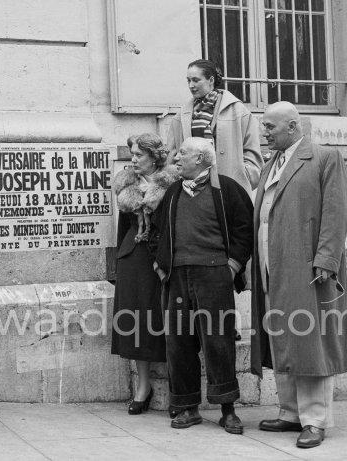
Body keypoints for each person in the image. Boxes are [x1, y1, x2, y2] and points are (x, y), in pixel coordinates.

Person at [251, 101, 347, 449]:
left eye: (269, 127)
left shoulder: (325, 158)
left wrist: (327, 258)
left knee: (311, 341)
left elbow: (336, 212)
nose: (264, 133)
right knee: (283, 334)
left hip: (308, 266)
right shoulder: (270, 164)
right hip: (272, 265)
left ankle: (315, 420)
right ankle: (290, 412)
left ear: (292, 127)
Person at [154, 137, 253, 433]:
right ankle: (187, 408)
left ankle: (227, 409)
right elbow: (158, 233)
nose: (176, 157)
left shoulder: (227, 189)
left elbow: (244, 230)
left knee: (218, 342)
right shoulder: (172, 192)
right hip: (177, 278)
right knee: (179, 343)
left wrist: (232, 266)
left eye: (183, 153)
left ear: (200, 159)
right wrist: (161, 267)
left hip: (214, 276)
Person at [111, 133, 178, 414]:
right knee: (137, 322)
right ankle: (143, 386)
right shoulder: (127, 183)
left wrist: (167, 261)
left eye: (139, 155)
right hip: (134, 260)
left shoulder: (171, 183)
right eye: (132, 154)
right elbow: (123, 229)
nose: (134, 159)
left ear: (155, 157)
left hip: (163, 259)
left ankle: (179, 388)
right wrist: (119, 261)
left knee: (169, 322)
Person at [166, 59, 262, 194]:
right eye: (188, 80)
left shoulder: (238, 111)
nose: (191, 85)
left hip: (231, 189)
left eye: (195, 80)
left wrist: (244, 177)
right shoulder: (181, 115)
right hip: (192, 190)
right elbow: (172, 155)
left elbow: (252, 151)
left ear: (211, 80)